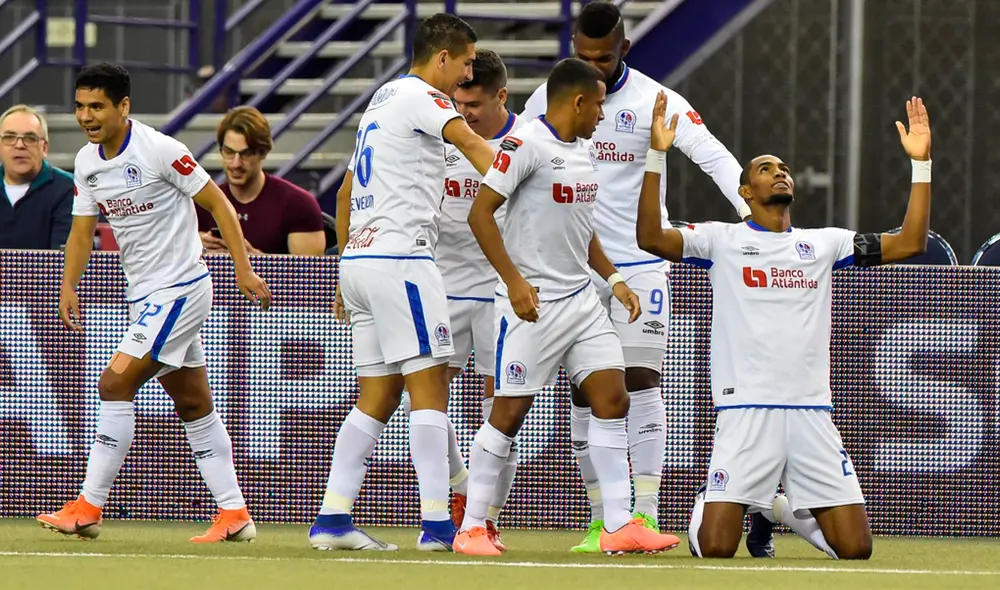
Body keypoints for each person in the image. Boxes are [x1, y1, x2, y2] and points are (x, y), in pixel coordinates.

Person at [635, 92, 933, 559]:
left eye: (784, 168)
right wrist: (656, 155)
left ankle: (777, 508)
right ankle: (711, 505)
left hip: (812, 414)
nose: (780, 172)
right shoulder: (721, 241)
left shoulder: (825, 244)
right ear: (746, 193)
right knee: (715, 549)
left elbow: (912, 242)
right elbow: (650, 236)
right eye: (766, 169)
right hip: (746, 413)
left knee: (856, 549)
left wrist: (922, 164)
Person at [519, 0, 754, 552]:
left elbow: (715, 156)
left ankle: (644, 515)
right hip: (571, 271)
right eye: (582, 56)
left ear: (624, 48)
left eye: (603, 57)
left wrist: (756, 220)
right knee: (584, 395)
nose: (593, 67)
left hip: (640, 264)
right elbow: (508, 157)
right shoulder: (551, 97)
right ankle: (605, 519)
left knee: (642, 380)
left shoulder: (657, 100)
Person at [453, 58, 681, 556]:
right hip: (532, 305)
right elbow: (480, 213)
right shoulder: (524, 144)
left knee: (613, 397)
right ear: (577, 101)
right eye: (598, 104)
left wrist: (615, 279)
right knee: (507, 414)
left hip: (581, 302)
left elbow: (584, 228)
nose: (603, 114)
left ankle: (618, 524)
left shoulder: (583, 150)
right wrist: (513, 282)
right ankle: (472, 527)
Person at [36, 62, 272, 543]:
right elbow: (83, 230)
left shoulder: (161, 149)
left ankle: (88, 505)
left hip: (181, 289)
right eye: (80, 106)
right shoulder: (86, 162)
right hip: (144, 295)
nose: (86, 116)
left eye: (97, 106)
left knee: (114, 384)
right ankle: (235, 515)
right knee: (193, 402)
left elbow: (219, 205)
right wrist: (68, 284)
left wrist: (242, 268)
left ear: (123, 106)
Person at [308, 13, 500, 552]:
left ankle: (333, 520)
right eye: (464, 64)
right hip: (402, 259)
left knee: (375, 396)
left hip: (360, 262)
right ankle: (439, 526)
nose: (465, 78)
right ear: (442, 57)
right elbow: (474, 147)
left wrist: (346, 270)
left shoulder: (381, 99)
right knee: (429, 389)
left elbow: (344, 194)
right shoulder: (427, 100)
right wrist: (524, 174)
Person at [415, 48, 525, 551]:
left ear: (502, 96)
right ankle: (459, 490)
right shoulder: (438, 132)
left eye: (475, 104)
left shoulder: (529, 142)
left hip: (502, 291)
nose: (465, 114)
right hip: (443, 285)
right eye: (458, 101)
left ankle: (487, 517)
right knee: (425, 400)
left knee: (501, 413)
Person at [197, 106, 326, 256]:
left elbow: (309, 276)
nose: (236, 163)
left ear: (263, 153)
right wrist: (193, 248)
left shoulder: (298, 204)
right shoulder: (201, 204)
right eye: (229, 152)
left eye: (246, 154)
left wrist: (253, 260)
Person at [0, 104, 74, 250]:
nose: (20, 145)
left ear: (44, 148)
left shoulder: (68, 188)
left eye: (30, 138)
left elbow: (65, 258)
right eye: (9, 137)